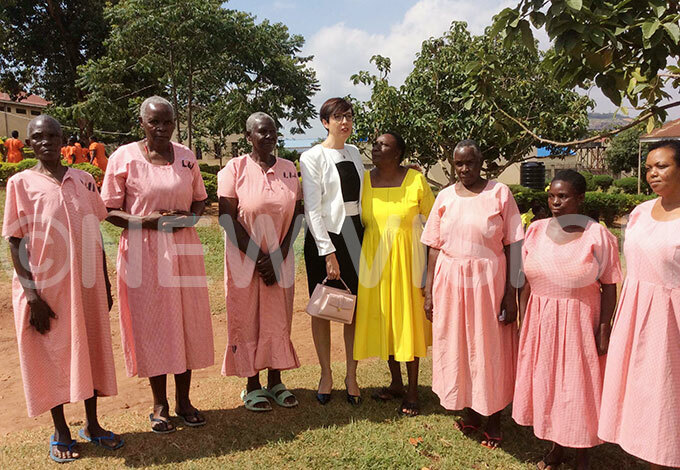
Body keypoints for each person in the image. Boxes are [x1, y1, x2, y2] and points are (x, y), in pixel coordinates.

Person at [3, 115, 122, 463]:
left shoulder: (84, 180)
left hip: (87, 285)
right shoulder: (20, 184)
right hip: (45, 289)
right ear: (29, 144)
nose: (47, 142)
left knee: (90, 349)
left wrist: (106, 283)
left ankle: (93, 425)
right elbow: (15, 242)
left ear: (63, 140)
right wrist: (32, 296)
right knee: (51, 354)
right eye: (39, 137)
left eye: (53, 136)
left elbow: (95, 234)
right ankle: (61, 431)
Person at [101, 96, 214, 433]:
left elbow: (201, 199)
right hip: (142, 252)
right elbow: (108, 209)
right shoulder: (124, 158)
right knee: (152, 325)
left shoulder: (186, 157)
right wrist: (144, 222)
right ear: (142, 124)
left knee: (185, 322)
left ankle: (184, 400)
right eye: (155, 122)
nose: (162, 128)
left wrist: (188, 220)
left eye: (168, 121)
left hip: (182, 250)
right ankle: (160, 404)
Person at [512, 170, 621, 470]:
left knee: (577, 387)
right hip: (541, 319)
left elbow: (609, 286)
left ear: (580, 199)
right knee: (549, 382)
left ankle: (582, 455)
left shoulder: (598, 235)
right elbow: (524, 282)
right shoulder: (535, 230)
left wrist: (604, 328)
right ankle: (556, 447)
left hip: (579, 321)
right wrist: (524, 321)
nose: (556, 202)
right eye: (552, 196)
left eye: (563, 196)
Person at [421, 139, 523, 448]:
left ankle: (493, 417)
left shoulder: (499, 194)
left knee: (488, 345)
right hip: (450, 281)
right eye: (459, 164)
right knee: (459, 344)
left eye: (471, 163)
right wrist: (429, 292)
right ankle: (470, 411)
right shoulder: (445, 196)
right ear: (453, 165)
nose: (465, 169)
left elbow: (515, 244)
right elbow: (434, 248)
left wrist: (510, 294)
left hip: (489, 282)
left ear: (482, 164)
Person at [598, 140, 680, 470]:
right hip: (635, 312)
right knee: (641, 393)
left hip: (670, 320)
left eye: (662, 166)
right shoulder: (640, 211)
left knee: (667, 394)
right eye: (648, 168)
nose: (652, 173)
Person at [218, 112, 303, 411]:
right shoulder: (234, 168)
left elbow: (298, 214)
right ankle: (252, 385)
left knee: (278, 318)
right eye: (261, 132)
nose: (268, 136)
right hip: (245, 260)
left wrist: (278, 255)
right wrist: (259, 259)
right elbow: (226, 218)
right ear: (248, 137)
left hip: (281, 258)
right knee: (248, 318)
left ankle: (276, 380)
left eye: (273, 131)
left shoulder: (289, 169)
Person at [353, 132, 434, 416]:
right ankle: (396, 383)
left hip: (409, 262)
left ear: (398, 152)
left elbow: (434, 224)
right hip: (374, 262)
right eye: (374, 143)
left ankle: (413, 390)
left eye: (383, 144)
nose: (375, 147)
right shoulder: (364, 181)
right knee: (386, 319)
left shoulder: (416, 181)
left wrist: (429, 272)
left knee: (408, 322)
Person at [300, 97, 365, 405]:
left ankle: (351, 375)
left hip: (356, 235)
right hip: (325, 238)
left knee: (353, 308)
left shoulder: (355, 153)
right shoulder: (311, 157)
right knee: (323, 307)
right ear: (325, 122)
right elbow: (312, 210)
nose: (345, 122)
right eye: (338, 117)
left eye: (348, 116)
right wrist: (328, 252)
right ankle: (326, 373)